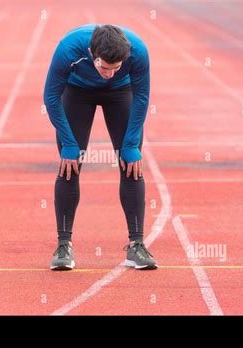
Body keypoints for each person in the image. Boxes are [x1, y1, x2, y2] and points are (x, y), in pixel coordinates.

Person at [43, 24, 157, 271]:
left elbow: (142, 97)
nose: (109, 73)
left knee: (131, 164)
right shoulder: (68, 48)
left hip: (120, 93)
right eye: (104, 67)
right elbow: (51, 97)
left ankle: (136, 245)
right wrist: (69, 144)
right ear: (92, 53)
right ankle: (64, 245)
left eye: (115, 68)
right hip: (78, 90)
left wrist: (130, 145)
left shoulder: (137, 51)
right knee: (69, 164)